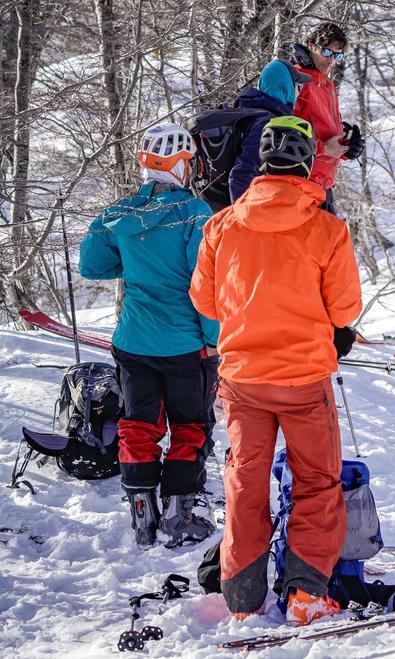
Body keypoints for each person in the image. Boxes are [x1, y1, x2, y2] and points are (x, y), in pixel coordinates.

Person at [189, 116, 362, 626]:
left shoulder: (222, 224)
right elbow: (345, 308)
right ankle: (306, 593)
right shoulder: (326, 227)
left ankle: (242, 597)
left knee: (245, 481)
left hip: (243, 377)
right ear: (308, 161)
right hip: (305, 378)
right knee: (316, 481)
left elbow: (206, 299)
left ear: (262, 163)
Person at [79, 122, 219, 549]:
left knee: (138, 424)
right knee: (191, 426)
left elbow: (93, 266)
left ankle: (142, 508)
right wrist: (213, 340)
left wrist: (141, 263)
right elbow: (206, 285)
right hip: (184, 344)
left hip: (133, 342)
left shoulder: (121, 214)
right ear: (181, 164)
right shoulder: (196, 214)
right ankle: (180, 512)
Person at [291, 22, 365, 201]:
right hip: (300, 185)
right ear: (311, 45)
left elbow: (323, 130)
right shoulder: (297, 80)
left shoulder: (328, 85)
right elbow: (281, 135)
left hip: (324, 185)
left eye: (337, 55)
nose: (331, 60)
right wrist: (323, 149)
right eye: (326, 52)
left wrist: (347, 147)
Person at [228, 59, 312, 203]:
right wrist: (243, 219)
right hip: (241, 215)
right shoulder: (267, 123)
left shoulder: (251, 112)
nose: (299, 93)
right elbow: (241, 175)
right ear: (286, 88)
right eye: (298, 86)